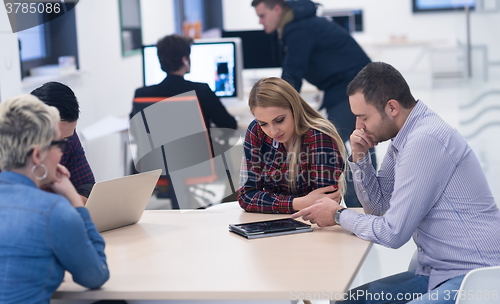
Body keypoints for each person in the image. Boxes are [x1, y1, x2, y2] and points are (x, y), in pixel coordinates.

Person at [292, 62, 500, 303]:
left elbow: (393, 233)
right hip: (436, 272)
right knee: (348, 301)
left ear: (391, 107)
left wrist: (338, 215)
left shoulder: (424, 140)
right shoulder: (403, 138)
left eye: (363, 117)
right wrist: (360, 158)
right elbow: (379, 208)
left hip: (474, 276)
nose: (358, 126)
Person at [252, 0, 374, 207]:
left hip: (353, 90)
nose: (260, 22)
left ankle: (357, 208)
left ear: (278, 9)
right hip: (355, 88)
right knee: (355, 143)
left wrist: (276, 103)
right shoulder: (305, 23)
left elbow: (293, 74)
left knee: (330, 143)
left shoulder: (298, 28)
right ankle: (362, 206)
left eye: (262, 16)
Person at [0, 94, 109, 303]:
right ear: (37, 155)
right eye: (57, 145)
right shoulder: (54, 212)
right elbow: (96, 274)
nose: (61, 154)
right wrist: (76, 203)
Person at [238, 77, 345, 213]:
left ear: (295, 108)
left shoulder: (319, 136)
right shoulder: (256, 131)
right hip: (272, 222)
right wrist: (298, 203)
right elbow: (246, 196)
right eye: (263, 123)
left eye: (280, 120)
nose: (273, 131)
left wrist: (273, 202)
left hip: (312, 225)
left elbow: (325, 204)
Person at [132, 34, 237, 131]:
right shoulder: (201, 91)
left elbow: (135, 130)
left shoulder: (141, 94)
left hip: (158, 152)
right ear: (184, 60)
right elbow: (229, 124)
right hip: (197, 151)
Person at [31, 82, 95, 205]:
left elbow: (87, 188)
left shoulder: (68, 136)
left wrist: (69, 200)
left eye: (65, 139)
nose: (60, 150)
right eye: (54, 140)